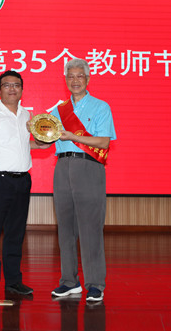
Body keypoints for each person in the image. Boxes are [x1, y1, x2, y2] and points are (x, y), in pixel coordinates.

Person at [0, 70, 49, 300]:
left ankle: (14, 281)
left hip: (22, 181)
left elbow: (24, 144)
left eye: (16, 85)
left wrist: (43, 142)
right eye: (6, 85)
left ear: (22, 90)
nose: (12, 89)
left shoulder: (27, 115)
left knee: (16, 234)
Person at [49, 58, 116, 303]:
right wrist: (33, 132)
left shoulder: (100, 107)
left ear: (87, 79)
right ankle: (69, 281)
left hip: (88, 167)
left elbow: (104, 142)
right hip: (62, 166)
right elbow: (46, 142)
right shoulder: (57, 111)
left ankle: (95, 284)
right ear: (65, 80)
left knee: (90, 228)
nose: (75, 80)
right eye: (70, 76)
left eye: (79, 76)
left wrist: (73, 136)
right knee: (65, 228)